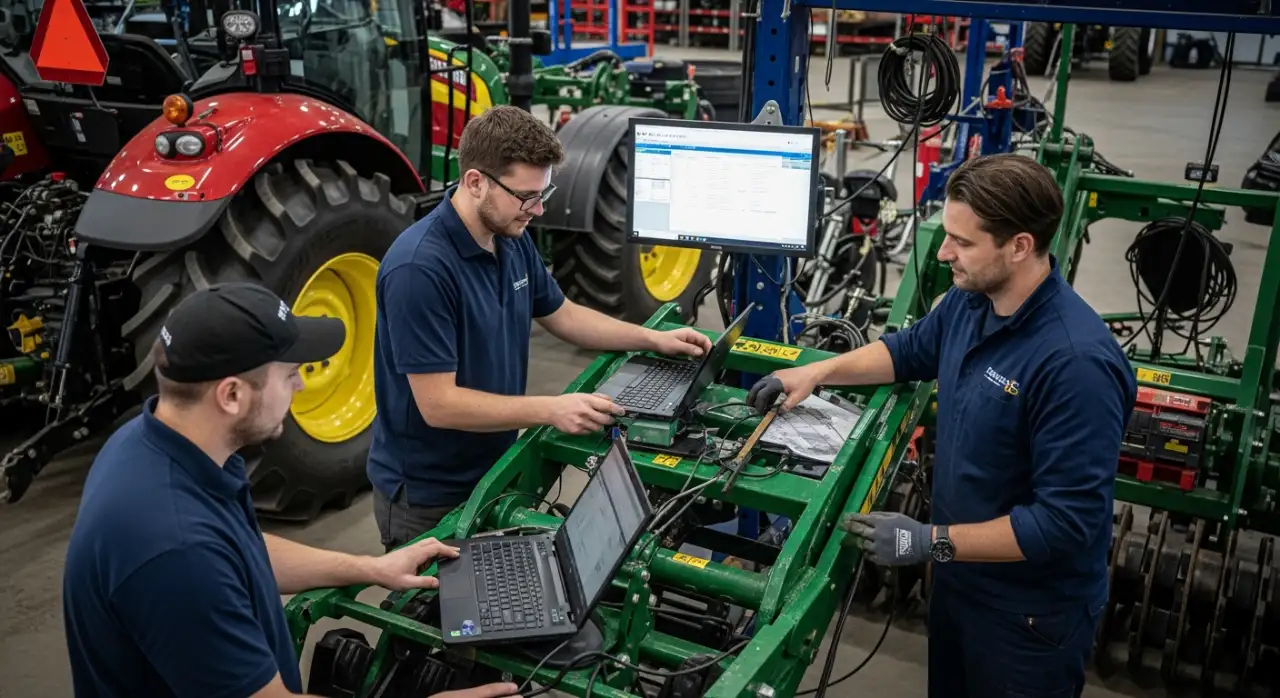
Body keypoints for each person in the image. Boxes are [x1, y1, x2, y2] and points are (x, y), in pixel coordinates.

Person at [747, 153, 1137, 698]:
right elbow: (909, 352)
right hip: (959, 581)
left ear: (1019, 246)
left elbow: (1063, 523)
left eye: (963, 241)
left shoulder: (1074, 364)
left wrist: (927, 542)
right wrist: (816, 372)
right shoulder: (972, 300)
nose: (945, 252)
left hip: (1027, 617)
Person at [62, 283, 519, 698]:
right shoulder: (174, 551)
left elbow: (239, 546)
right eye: (289, 374)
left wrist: (371, 567)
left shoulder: (153, 442)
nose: (301, 384)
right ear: (232, 395)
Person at [369, 105, 713, 550]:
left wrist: (651, 337)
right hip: (428, 495)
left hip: (494, 468)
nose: (540, 208)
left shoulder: (509, 238)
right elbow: (439, 404)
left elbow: (564, 315)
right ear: (476, 183)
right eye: (527, 196)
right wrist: (551, 409)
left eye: (543, 191)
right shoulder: (420, 269)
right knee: (440, 617)